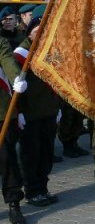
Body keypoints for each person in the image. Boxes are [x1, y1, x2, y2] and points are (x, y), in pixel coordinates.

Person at [14, 16, 61, 205]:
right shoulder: (20, 54)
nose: (39, 34)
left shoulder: (49, 49)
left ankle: (43, 187)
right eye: (36, 31)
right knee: (31, 154)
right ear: (29, 32)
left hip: (49, 111)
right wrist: (20, 112)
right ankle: (33, 191)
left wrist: (58, 107)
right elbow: (14, 85)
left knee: (46, 153)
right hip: (30, 113)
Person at [0, 35, 29, 224]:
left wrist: (16, 78)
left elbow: (7, 60)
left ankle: (13, 204)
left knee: (7, 159)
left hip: (1, 113)